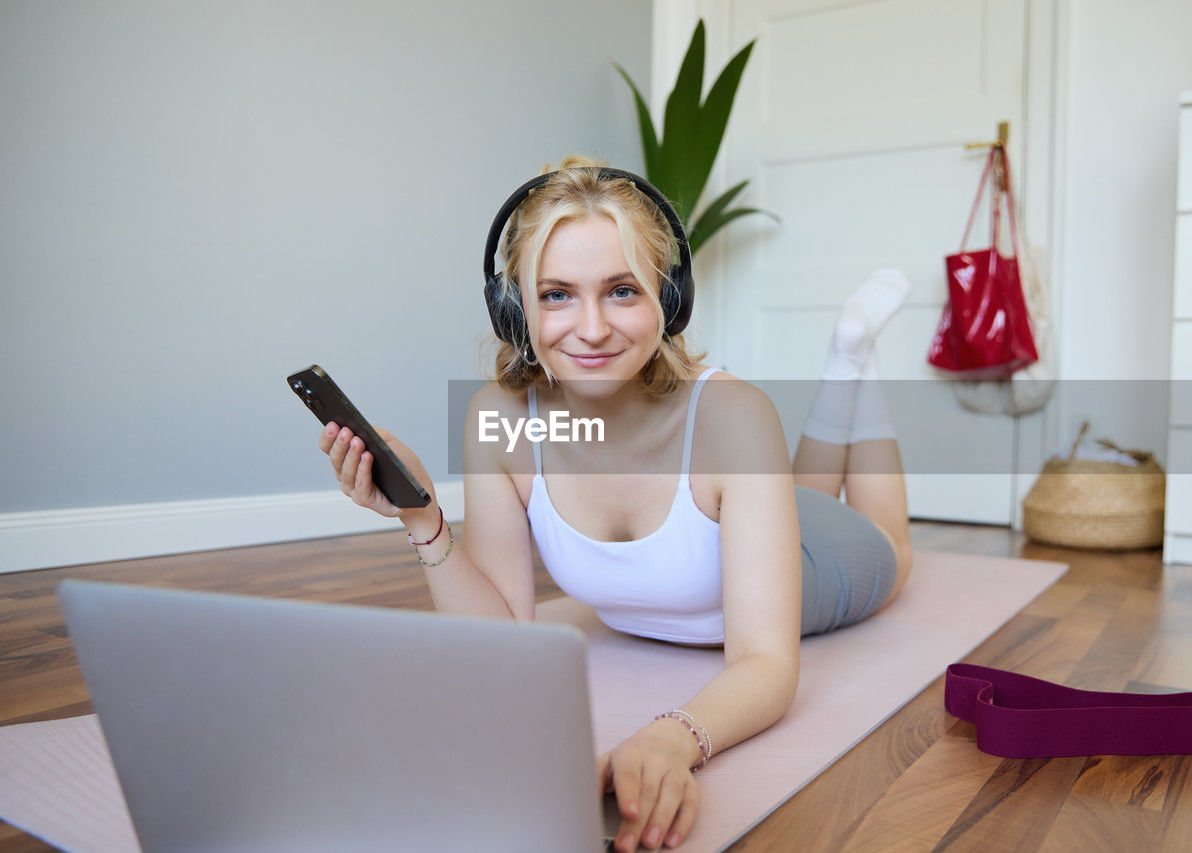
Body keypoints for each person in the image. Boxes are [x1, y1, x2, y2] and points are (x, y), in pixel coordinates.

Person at [317, 156, 914, 852]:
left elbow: (766, 663)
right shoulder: (501, 419)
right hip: (744, 512)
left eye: (622, 290)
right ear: (516, 307)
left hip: (825, 561)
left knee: (888, 542)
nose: (592, 329)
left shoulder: (733, 413)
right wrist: (421, 516)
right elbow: (502, 631)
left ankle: (853, 359)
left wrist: (672, 738)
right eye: (558, 294)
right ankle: (847, 357)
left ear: (670, 297)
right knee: (799, 493)